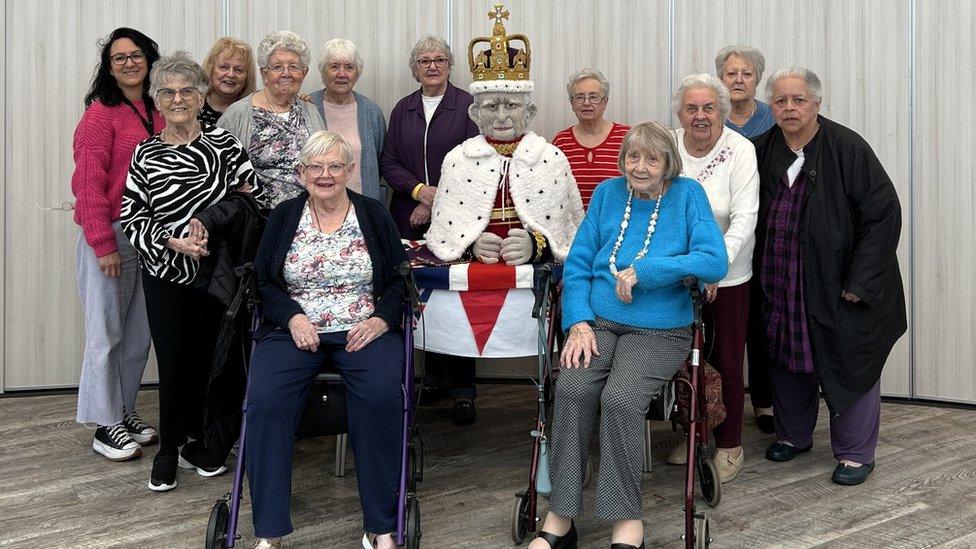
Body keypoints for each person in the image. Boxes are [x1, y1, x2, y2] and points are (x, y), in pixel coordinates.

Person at [531, 121, 727, 549]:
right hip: (598, 323)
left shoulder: (687, 195)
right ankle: (561, 515)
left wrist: (649, 271)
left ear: (667, 164)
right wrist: (578, 321)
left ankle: (625, 518)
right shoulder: (607, 194)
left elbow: (715, 261)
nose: (640, 167)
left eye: (652, 159)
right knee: (572, 389)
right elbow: (580, 263)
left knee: (620, 398)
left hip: (659, 329)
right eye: (633, 157)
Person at [245, 130, 407, 549]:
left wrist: (381, 321)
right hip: (294, 330)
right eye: (315, 167)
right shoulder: (283, 217)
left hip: (362, 328)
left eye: (335, 166)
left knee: (379, 398)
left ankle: (380, 525)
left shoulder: (373, 214)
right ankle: (270, 531)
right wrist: (292, 316)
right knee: (265, 402)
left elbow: (398, 281)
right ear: (301, 173)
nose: (325, 175)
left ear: (350, 170)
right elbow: (265, 282)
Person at [751, 67, 906, 486]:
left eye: (798, 100)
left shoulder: (848, 148)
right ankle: (793, 435)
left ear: (817, 104)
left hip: (838, 286)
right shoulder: (760, 149)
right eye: (780, 101)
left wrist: (861, 281)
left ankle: (856, 453)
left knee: (848, 361)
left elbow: (883, 215)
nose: (789, 108)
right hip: (779, 280)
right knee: (786, 356)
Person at [121, 51, 260, 492]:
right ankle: (168, 448)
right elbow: (130, 214)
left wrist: (208, 225)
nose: (177, 99)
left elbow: (249, 199)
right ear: (157, 102)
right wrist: (170, 240)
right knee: (173, 359)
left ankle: (205, 442)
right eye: (167, 92)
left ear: (202, 97)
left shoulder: (224, 145)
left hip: (217, 272)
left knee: (213, 357)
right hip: (165, 273)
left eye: (186, 91)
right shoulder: (144, 153)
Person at [71, 27, 163, 462]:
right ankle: (103, 424)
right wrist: (103, 242)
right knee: (105, 332)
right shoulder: (100, 115)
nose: (129, 63)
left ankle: (124, 410)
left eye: (136, 54)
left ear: (149, 58)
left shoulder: (159, 108)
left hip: (151, 239)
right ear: (109, 68)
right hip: (112, 234)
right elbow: (87, 183)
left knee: (138, 334)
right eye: (119, 58)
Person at [664, 74, 759, 483]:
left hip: (729, 275)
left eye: (708, 108)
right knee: (680, 359)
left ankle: (729, 444)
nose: (700, 116)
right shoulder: (668, 145)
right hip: (674, 275)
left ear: (721, 110)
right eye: (691, 108)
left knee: (724, 360)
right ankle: (693, 432)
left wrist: (715, 266)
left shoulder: (740, 149)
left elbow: (744, 217)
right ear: (679, 113)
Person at [379, 35, 479, 425]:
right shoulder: (402, 109)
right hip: (406, 217)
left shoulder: (468, 106)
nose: (432, 66)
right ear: (414, 67)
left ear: (450, 65)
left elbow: (474, 161)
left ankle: (464, 390)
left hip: (458, 218)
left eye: (440, 60)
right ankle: (433, 379)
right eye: (424, 60)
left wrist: (435, 202)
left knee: (456, 296)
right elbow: (388, 161)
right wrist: (420, 193)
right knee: (420, 297)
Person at [217, 30, 325, 209]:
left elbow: (325, 161)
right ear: (264, 73)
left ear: (304, 73)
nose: (286, 73)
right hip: (259, 219)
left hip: (309, 216)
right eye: (277, 67)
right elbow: (218, 172)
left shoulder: (311, 111)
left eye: (294, 67)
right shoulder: (237, 114)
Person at [309, 38, 387, 202]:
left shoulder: (372, 112)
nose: (342, 74)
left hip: (363, 205)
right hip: (316, 205)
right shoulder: (308, 107)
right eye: (334, 66)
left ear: (357, 73)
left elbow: (380, 162)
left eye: (349, 67)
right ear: (323, 72)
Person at [551, 68, 630, 209]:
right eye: (579, 97)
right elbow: (553, 190)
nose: (586, 103)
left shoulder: (627, 137)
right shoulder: (561, 141)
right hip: (573, 227)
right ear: (572, 103)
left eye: (593, 97)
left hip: (617, 225)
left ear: (605, 101)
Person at [715, 45, 775, 139]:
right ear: (721, 79)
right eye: (731, 74)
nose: (739, 80)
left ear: (757, 80)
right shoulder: (710, 118)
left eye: (747, 74)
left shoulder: (774, 117)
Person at [198, 37, 257, 126]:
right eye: (223, 67)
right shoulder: (194, 107)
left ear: (247, 76)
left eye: (238, 70)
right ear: (211, 69)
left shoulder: (252, 112)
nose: (230, 74)